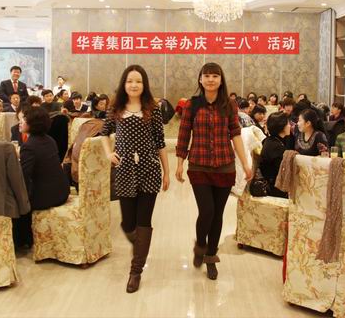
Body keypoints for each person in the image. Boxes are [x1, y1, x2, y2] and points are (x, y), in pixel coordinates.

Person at [176, 62, 252, 281]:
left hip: (224, 166)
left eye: (215, 76)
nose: (210, 79)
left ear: (221, 80)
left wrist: (245, 163)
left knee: (217, 214)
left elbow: (235, 134)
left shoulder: (229, 104)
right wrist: (180, 163)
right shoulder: (192, 105)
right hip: (199, 165)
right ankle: (200, 245)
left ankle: (210, 256)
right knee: (207, 211)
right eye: (206, 76)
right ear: (200, 79)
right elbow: (184, 134)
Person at [100, 65, 169, 293]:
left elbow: (160, 142)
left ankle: (136, 271)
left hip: (149, 169)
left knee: (144, 222)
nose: (134, 85)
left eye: (138, 81)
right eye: (130, 81)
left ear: (144, 84)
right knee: (128, 224)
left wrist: (167, 172)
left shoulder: (153, 109)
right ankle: (139, 243)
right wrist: (109, 153)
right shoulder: (116, 108)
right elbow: (104, 133)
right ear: (124, 83)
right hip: (124, 170)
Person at [14, 107, 70, 248]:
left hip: (47, 196)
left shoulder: (29, 146)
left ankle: (22, 240)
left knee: (15, 200)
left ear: (33, 124)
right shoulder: (49, 140)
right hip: (62, 191)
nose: (20, 122)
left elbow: (23, 177)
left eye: (23, 120)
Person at [260, 112, 294, 197]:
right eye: (288, 124)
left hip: (275, 183)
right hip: (274, 188)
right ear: (281, 127)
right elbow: (283, 171)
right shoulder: (276, 147)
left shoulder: (272, 140)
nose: (290, 126)